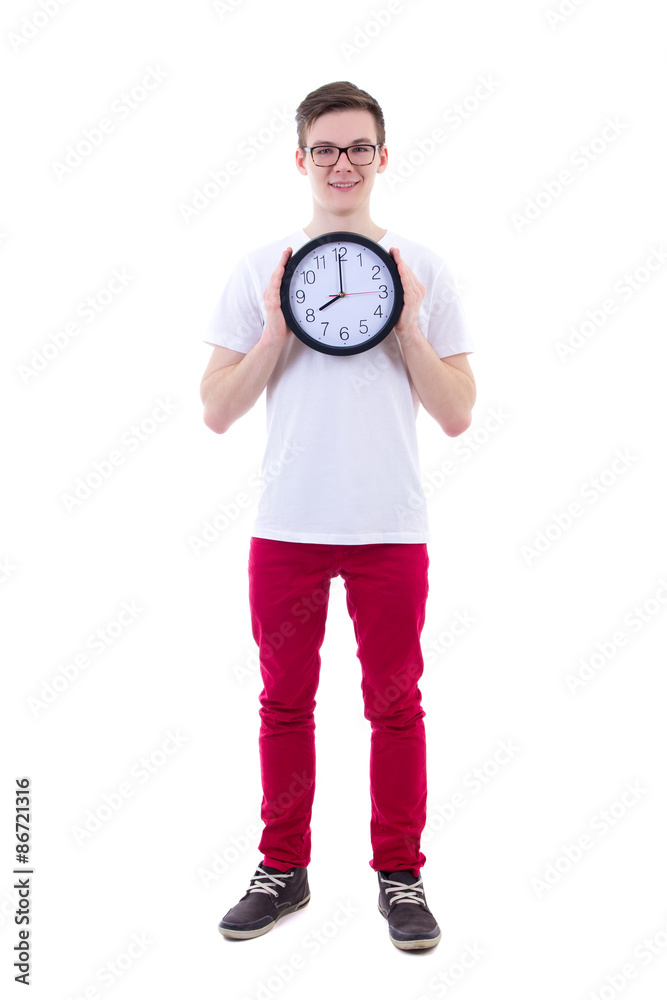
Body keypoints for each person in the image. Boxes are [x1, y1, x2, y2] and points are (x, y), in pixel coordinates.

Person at [200, 81, 476, 951]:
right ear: (300, 160)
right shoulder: (259, 268)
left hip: (389, 526)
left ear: (383, 156)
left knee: (395, 707)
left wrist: (408, 328)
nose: (343, 163)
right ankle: (284, 870)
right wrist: (277, 332)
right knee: (284, 704)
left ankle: (400, 876)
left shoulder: (424, 267)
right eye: (325, 149)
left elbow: (459, 411)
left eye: (359, 147)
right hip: (288, 524)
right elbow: (214, 408)